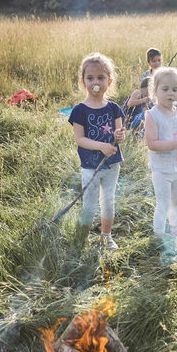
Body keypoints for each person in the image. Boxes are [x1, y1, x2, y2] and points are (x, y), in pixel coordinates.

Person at [68, 53, 125, 250]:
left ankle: (106, 237)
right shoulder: (79, 110)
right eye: (90, 78)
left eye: (101, 77)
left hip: (111, 164)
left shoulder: (114, 108)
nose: (95, 82)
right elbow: (80, 139)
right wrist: (100, 145)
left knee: (108, 201)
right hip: (90, 166)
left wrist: (119, 136)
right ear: (83, 81)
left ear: (109, 81)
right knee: (89, 205)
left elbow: (119, 134)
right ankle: (81, 239)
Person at [145, 67, 177, 240]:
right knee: (163, 203)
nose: (170, 93)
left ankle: (174, 228)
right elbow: (152, 144)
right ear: (155, 91)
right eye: (165, 89)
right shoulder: (152, 115)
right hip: (161, 169)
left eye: (175, 89)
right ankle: (159, 234)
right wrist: (173, 144)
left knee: (176, 200)